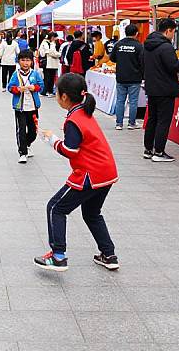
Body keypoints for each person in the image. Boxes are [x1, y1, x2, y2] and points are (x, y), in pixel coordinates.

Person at [34, 73, 119, 272]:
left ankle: (58, 256)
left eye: (57, 92)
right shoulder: (84, 111)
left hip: (90, 173)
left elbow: (70, 150)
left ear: (64, 97)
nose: (56, 95)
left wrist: (51, 139)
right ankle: (109, 254)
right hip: (106, 172)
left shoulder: (74, 119)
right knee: (91, 213)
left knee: (56, 207)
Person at [143, 18, 179, 162]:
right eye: (173, 32)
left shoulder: (147, 45)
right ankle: (159, 152)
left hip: (152, 88)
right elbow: (174, 66)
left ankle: (148, 149)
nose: (173, 35)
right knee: (163, 121)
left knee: (152, 119)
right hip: (165, 89)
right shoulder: (165, 47)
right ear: (168, 30)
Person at [7, 50, 44, 164]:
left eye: (28, 60)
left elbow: (41, 86)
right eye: (23, 60)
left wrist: (35, 88)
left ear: (31, 62)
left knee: (33, 130)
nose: (25, 63)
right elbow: (10, 87)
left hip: (33, 107)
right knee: (21, 129)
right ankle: (22, 152)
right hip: (20, 108)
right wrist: (18, 89)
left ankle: (27, 143)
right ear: (19, 61)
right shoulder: (15, 74)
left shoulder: (35, 73)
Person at [110, 24, 144, 131]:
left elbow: (112, 58)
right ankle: (131, 123)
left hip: (121, 76)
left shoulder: (118, 44)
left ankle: (119, 124)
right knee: (133, 101)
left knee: (120, 100)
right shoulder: (139, 46)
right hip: (135, 77)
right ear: (136, 33)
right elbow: (142, 61)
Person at [39, 32, 61, 96]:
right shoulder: (49, 43)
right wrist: (59, 54)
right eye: (55, 37)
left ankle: (46, 91)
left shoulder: (45, 42)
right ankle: (48, 91)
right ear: (52, 37)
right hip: (50, 63)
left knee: (48, 77)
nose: (56, 38)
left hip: (49, 63)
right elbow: (51, 52)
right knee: (49, 78)